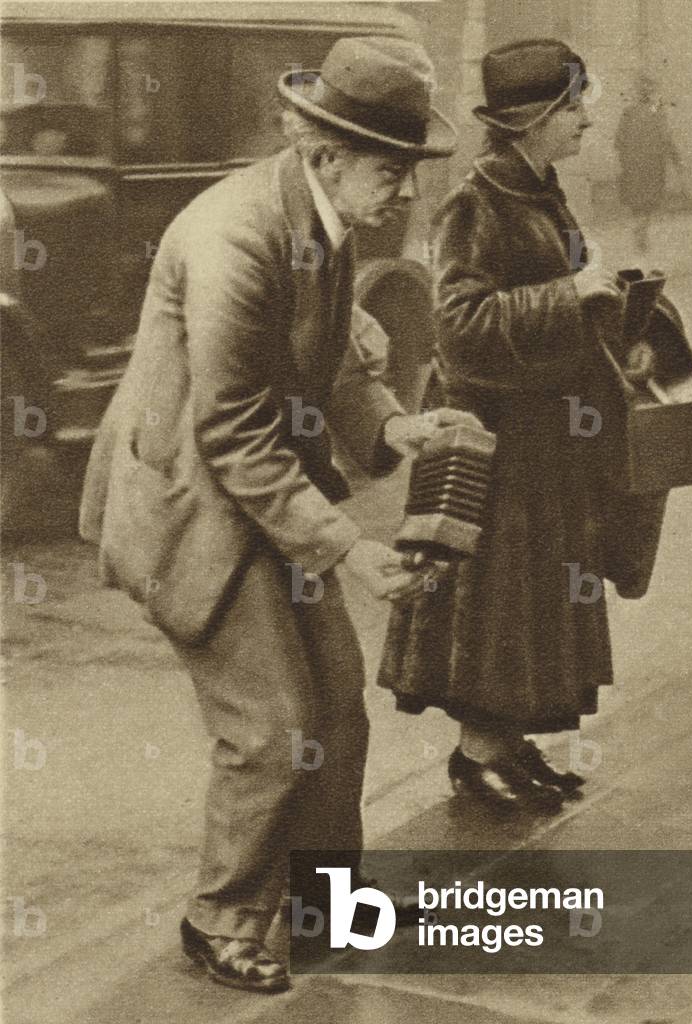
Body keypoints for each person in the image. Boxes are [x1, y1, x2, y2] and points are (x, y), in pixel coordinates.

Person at [79, 36, 474, 994]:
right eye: (393, 171)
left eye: (413, 172)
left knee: (337, 705)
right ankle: (218, 920)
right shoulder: (237, 235)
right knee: (273, 727)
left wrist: (395, 428)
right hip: (191, 512)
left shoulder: (326, 218)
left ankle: (324, 909)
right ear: (327, 153)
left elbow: (333, 358)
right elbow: (233, 429)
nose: (408, 194)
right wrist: (347, 547)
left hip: (259, 501)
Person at [378, 38, 692, 816]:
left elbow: (561, 304)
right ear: (535, 120)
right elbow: (455, 329)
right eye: (576, 106)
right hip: (494, 448)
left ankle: (512, 747)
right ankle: (476, 757)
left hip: (547, 440)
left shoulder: (540, 193)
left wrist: (625, 314)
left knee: (542, 599)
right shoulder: (474, 204)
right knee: (498, 603)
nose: (588, 119)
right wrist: (571, 294)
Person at [614, 74, 683, 252]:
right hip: (651, 164)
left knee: (638, 201)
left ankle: (640, 233)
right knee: (648, 201)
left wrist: (625, 160)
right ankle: (641, 233)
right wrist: (676, 160)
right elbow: (666, 138)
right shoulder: (656, 112)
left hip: (634, 164)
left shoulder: (629, 112)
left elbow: (619, 141)